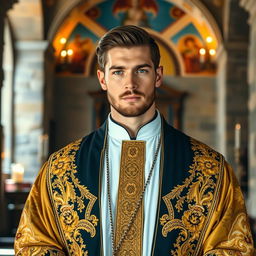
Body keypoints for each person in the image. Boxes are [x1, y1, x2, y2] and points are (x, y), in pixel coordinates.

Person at [14, 25, 255, 255]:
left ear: (158, 76)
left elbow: (232, 248)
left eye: (141, 70)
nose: (130, 83)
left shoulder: (211, 169)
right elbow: (33, 244)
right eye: (118, 71)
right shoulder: (59, 168)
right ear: (102, 79)